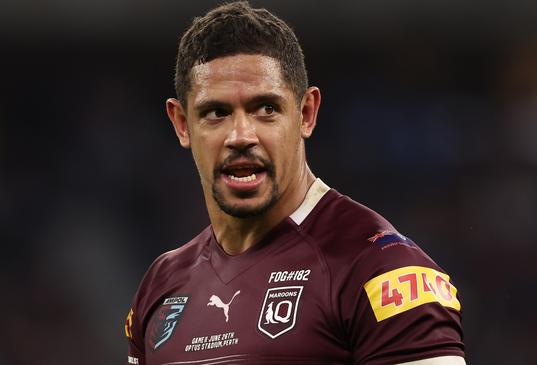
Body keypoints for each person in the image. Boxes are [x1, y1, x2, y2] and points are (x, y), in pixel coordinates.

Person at [124, 2, 465, 364]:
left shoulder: (382, 270)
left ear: (306, 114)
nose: (241, 135)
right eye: (216, 113)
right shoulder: (161, 287)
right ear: (181, 124)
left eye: (266, 109)